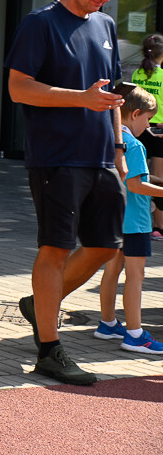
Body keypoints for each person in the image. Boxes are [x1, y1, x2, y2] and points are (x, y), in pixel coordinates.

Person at [6, 0, 128, 386]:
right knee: (55, 247)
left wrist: (118, 146)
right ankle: (49, 349)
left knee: (105, 247)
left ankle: (39, 303)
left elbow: (110, 94)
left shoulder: (106, 25)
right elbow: (18, 89)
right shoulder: (41, 23)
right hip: (56, 155)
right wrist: (80, 98)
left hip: (101, 155)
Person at [95, 86, 163, 354]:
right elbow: (137, 185)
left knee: (111, 271)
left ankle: (108, 324)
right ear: (135, 113)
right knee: (136, 275)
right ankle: (135, 334)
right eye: (147, 119)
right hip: (135, 222)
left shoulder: (111, 138)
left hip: (114, 218)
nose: (148, 125)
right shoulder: (134, 145)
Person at [129, 33, 163, 238]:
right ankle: (159, 227)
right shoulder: (162, 76)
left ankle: (142, 221)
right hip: (160, 131)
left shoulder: (136, 74)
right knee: (159, 180)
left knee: (140, 176)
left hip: (140, 128)